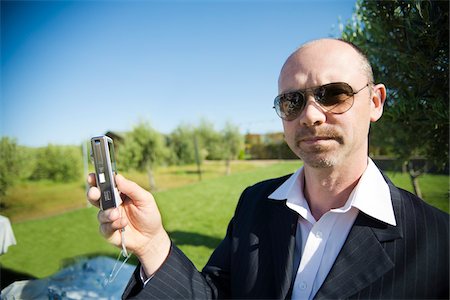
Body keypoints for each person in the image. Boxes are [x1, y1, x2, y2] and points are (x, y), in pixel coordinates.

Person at [87, 38, 449, 299]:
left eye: (334, 94)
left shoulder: (438, 240)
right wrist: (153, 245)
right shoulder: (255, 204)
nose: (310, 114)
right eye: (292, 101)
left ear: (375, 102)